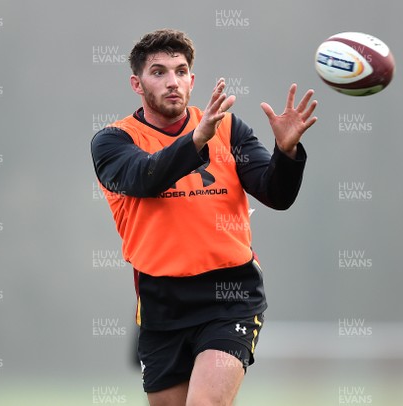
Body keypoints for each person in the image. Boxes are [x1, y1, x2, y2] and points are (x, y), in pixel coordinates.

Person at [90, 28, 317, 406]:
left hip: (230, 296)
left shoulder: (227, 128)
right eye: (158, 72)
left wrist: (286, 152)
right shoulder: (113, 141)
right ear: (137, 83)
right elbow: (145, 177)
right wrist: (196, 140)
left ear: (192, 79)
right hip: (162, 302)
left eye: (180, 71)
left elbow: (276, 193)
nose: (172, 82)